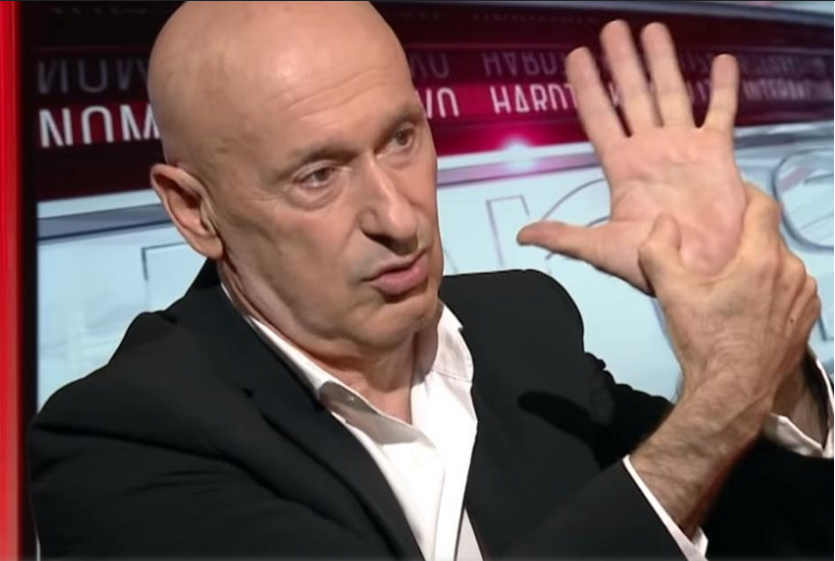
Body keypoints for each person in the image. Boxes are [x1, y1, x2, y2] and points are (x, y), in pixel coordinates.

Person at [29, 2, 832, 559]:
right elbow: (684, 462)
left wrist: (767, 356)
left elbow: (772, 529)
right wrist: (724, 397)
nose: (397, 215)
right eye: (318, 175)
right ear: (194, 210)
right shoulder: (118, 439)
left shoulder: (523, 325)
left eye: (401, 138)